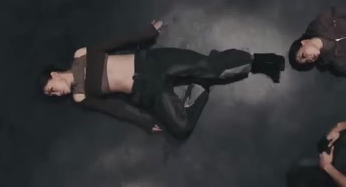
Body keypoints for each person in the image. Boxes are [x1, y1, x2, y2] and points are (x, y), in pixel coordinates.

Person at [41, 19, 284, 139]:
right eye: (51, 95)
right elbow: (115, 109)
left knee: (211, 67)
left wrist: (147, 33)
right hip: (147, 90)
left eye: (50, 88)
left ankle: (262, 61)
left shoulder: (80, 55)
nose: (55, 93)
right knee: (180, 128)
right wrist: (145, 123)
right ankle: (200, 85)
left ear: (54, 75)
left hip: (152, 61)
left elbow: (116, 42)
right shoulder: (80, 96)